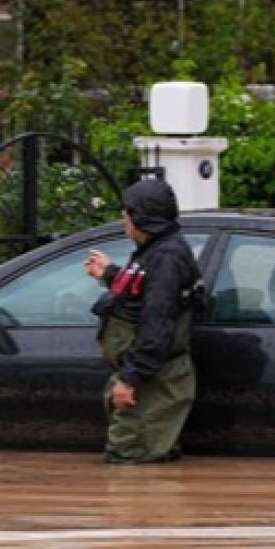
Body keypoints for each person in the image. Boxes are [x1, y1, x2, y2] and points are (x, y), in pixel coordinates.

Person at [85, 179, 202, 464]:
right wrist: (111, 274)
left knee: (130, 463)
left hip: (152, 379)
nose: (124, 216)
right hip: (149, 377)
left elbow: (157, 322)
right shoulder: (155, 250)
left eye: (128, 211)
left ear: (141, 216)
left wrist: (130, 378)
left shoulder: (167, 257)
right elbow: (144, 290)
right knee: (144, 460)